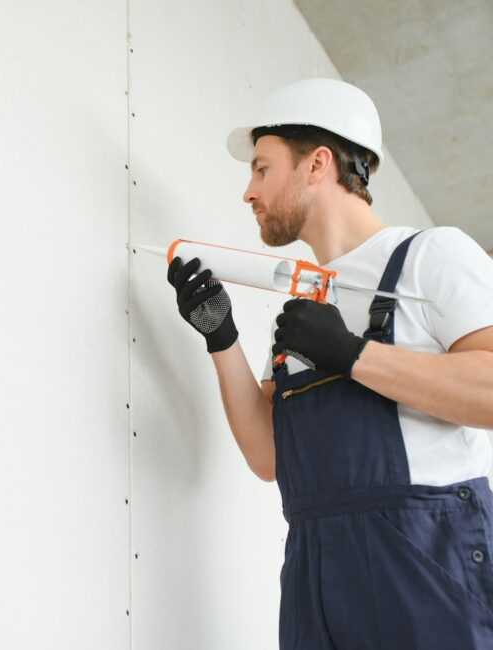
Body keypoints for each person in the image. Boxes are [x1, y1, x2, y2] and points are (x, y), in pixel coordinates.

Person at [166, 77, 493, 648]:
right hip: (315, 568)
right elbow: (270, 457)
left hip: (421, 559)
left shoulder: (431, 258)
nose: (248, 192)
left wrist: (353, 353)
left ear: (318, 163)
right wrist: (222, 339)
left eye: (261, 168)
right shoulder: (305, 305)